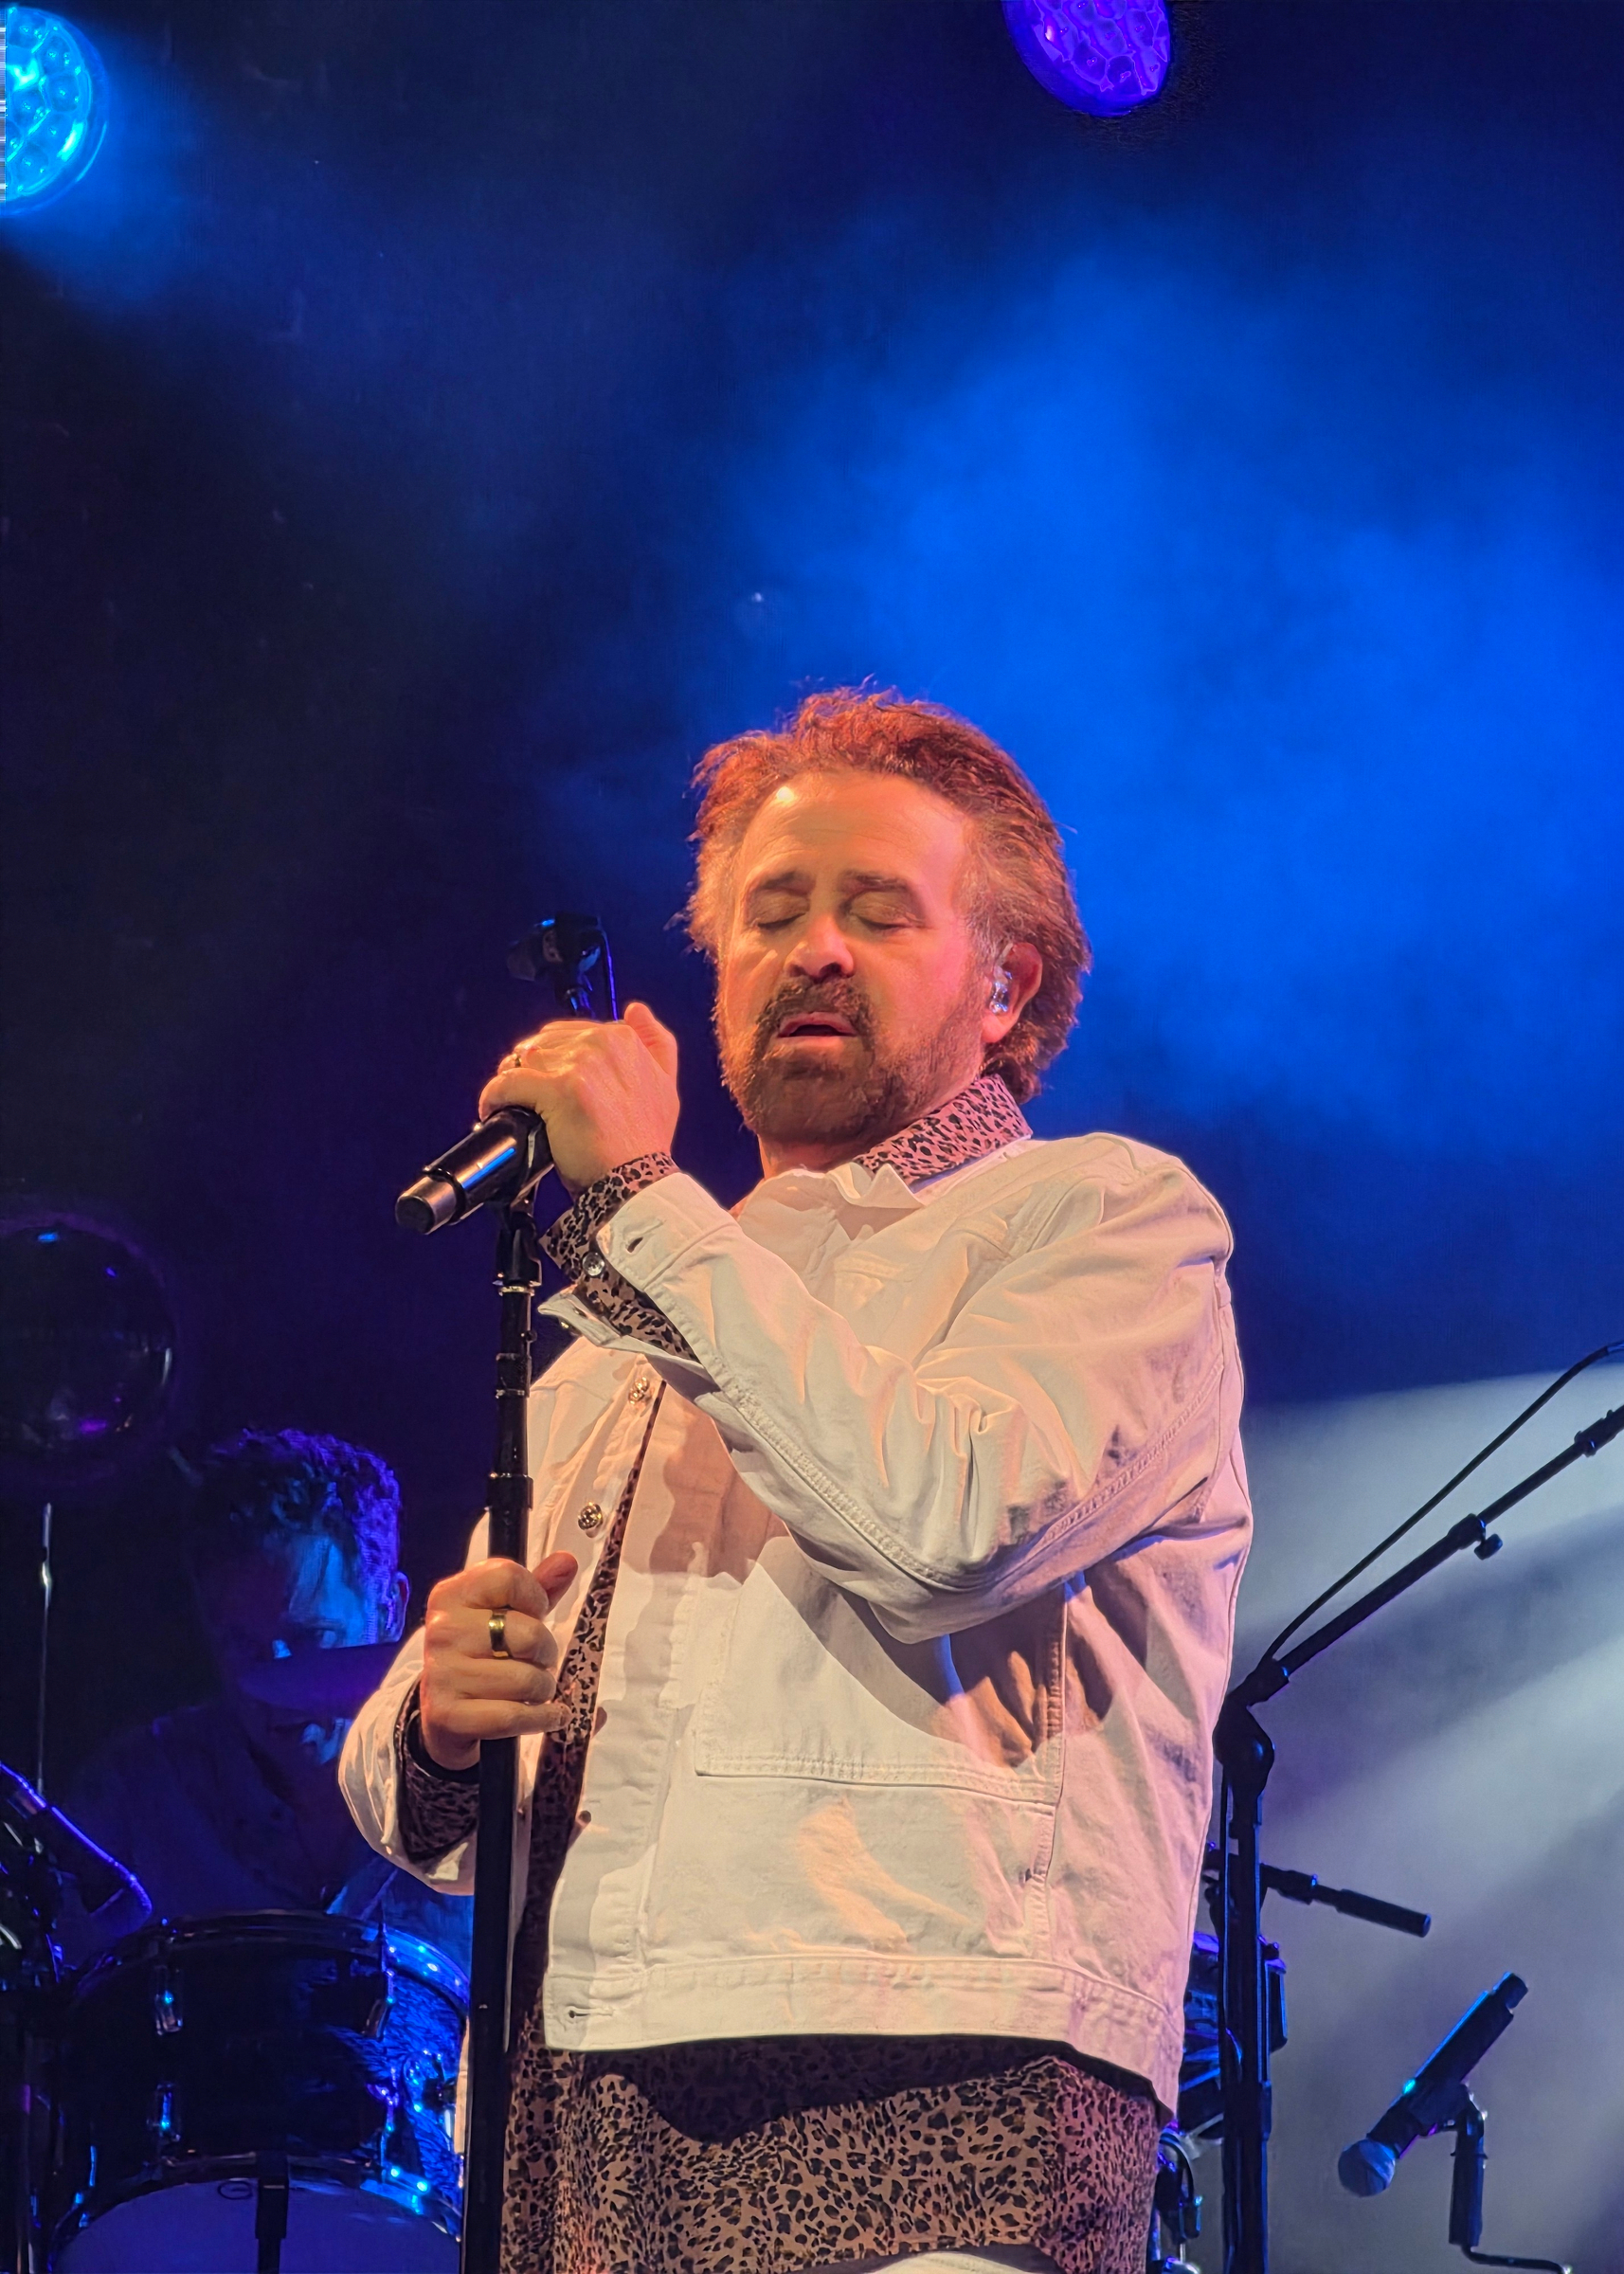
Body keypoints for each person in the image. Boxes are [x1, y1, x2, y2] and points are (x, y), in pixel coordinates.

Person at [342, 688, 1252, 2274]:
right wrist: (440, 1720)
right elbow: (407, 1791)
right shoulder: (624, 1334)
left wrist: (637, 1204)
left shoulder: (1104, 1222)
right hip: (581, 2117)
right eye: (769, 915)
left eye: (876, 912)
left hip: (936, 2097)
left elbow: (951, 1527)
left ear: (1005, 983)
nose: (812, 950)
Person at [63, 1429, 471, 1976]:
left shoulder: (489, 1791)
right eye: (241, 1645)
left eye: (311, 1637)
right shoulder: (132, 1800)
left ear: (390, 1610)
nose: (275, 1679)